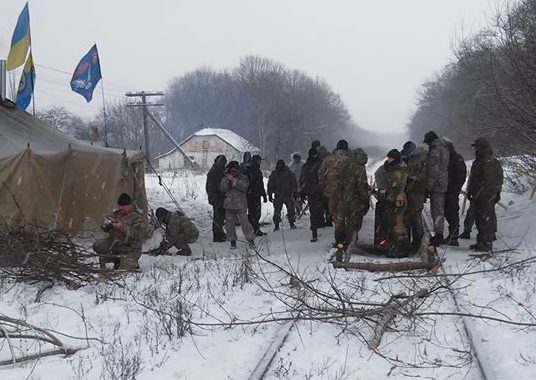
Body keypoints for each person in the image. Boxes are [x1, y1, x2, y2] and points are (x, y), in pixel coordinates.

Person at [466, 138, 503, 252]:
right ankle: (481, 241)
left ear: (482, 148)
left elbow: (489, 180)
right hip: (480, 195)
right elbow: (474, 179)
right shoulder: (479, 160)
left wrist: (479, 192)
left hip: (486, 195)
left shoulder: (487, 161)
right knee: (479, 219)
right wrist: (471, 192)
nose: (475, 149)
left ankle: (486, 243)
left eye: (476, 147)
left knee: (485, 219)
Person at [93, 193, 145, 270]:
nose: (121, 208)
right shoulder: (116, 214)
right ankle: (116, 258)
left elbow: (138, 234)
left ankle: (130, 262)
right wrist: (106, 225)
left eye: (124, 206)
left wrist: (122, 227)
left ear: (130, 205)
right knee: (98, 246)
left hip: (130, 247)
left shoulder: (137, 217)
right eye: (120, 206)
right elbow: (107, 228)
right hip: (116, 244)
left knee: (124, 268)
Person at [318, 139, 353, 246]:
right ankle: (348, 239)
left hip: (331, 193)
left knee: (336, 216)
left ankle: (339, 240)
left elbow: (320, 174)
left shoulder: (328, 160)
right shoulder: (350, 160)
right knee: (346, 216)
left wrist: (324, 188)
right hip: (346, 193)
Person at [220, 161, 256, 249]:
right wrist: (227, 180)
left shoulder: (243, 177)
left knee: (245, 223)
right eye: (231, 170)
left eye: (234, 170)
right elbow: (222, 189)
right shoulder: (225, 178)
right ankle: (232, 241)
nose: (233, 172)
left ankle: (251, 240)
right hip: (229, 205)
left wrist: (234, 180)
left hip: (240, 204)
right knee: (229, 225)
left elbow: (244, 187)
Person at [423, 131, 451, 245]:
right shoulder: (445, 148)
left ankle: (439, 235)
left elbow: (433, 171)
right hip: (442, 182)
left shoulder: (435, 151)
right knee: (439, 209)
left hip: (437, 184)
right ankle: (439, 233)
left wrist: (428, 187)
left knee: (437, 210)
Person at [401, 141, 428, 250]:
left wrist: (413, 178)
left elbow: (424, 174)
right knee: (407, 216)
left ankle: (417, 241)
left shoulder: (421, 159)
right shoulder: (410, 158)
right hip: (409, 190)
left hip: (417, 191)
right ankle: (407, 240)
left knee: (415, 216)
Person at [384, 149, 408, 257]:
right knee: (396, 223)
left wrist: (391, 197)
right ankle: (397, 247)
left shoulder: (398, 171)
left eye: (390, 158)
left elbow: (398, 187)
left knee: (397, 224)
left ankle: (400, 249)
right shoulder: (397, 168)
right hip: (396, 198)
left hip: (398, 199)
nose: (388, 160)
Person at [345, 148, 370, 250]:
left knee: (348, 219)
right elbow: (361, 185)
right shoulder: (359, 168)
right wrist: (365, 198)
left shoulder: (347, 166)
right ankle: (352, 242)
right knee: (356, 220)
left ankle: (347, 240)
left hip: (345, 197)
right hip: (356, 198)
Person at [444, 142, 467, 246]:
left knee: (452, 212)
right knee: (449, 213)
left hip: (452, 190)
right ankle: (453, 235)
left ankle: (454, 236)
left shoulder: (457, 159)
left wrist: (454, 188)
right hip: (447, 190)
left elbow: (461, 176)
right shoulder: (449, 158)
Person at [300, 148, 323, 242]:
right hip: (321, 191)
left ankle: (315, 232)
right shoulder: (321, 164)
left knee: (313, 213)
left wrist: (302, 192)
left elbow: (302, 179)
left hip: (311, 192)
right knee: (320, 211)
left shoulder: (306, 165)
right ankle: (318, 227)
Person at [267, 159, 298, 231]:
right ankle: (278, 225)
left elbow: (294, 183)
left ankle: (291, 223)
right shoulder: (276, 174)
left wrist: (295, 192)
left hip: (287, 195)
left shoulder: (287, 173)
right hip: (280, 195)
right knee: (278, 211)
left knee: (290, 210)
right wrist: (270, 194)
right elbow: (270, 185)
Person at [206, 155, 227, 242]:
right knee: (218, 217)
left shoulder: (219, 170)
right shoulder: (214, 172)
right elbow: (210, 186)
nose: (222, 164)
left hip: (220, 197)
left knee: (220, 216)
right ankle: (217, 235)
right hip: (216, 197)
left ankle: (219, 233)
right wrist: (213, 197)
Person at [245, 154, 268, 236]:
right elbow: (248, 183)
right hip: (251, 194)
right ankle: (253, 229)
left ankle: (254, 228)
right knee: (253, 213)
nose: (260, 162)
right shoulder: (249, 170)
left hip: (255, 194)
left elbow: (260, 184)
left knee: (256, 213)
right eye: (259, 161)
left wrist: (264, 195)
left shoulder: (257, 170)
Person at [311, 140, 331, 226]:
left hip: (320, 181)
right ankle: (329, 220)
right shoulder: (328, 154)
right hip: (329, 181)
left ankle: (321, 221)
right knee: (328, 202)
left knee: (320, 203)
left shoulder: (317, 155)